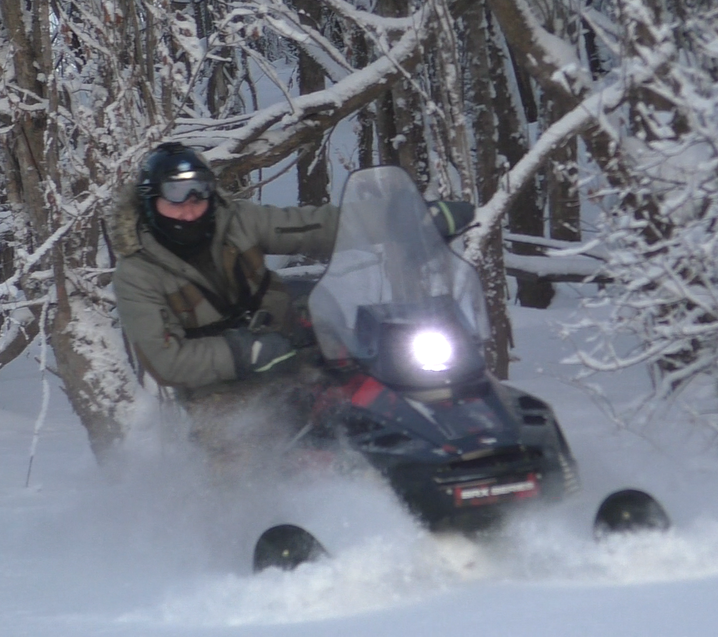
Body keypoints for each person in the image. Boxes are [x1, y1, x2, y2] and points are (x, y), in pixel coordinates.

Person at [111, 142, 472, 474]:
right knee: (246, 456)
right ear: (150, 199)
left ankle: (434, 467)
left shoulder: (235, 222)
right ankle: (249, 529)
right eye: (174, 196)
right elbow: (165, 359)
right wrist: (243, 352)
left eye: (199, 193)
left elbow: (316, 225)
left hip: (291, 350)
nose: (189, 209)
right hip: (219, 389)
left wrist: (406, 221)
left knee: (378, 392)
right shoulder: (138, 272)